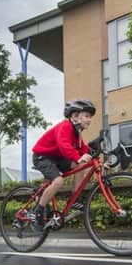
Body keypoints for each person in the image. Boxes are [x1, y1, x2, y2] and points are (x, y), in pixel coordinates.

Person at [31, 99, 96, 231]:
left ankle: (74, 199)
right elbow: (64, 145)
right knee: (58, 181)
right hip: (42, 157)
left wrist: (99, 162)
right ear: (75, 116)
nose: (89, 120)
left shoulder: (77, 133)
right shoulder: (65, 126)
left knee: (81, 165)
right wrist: (78, 158)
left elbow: (84, 150)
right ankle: (38, 211)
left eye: (90, 117)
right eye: (87, 116)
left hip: (58, 158)